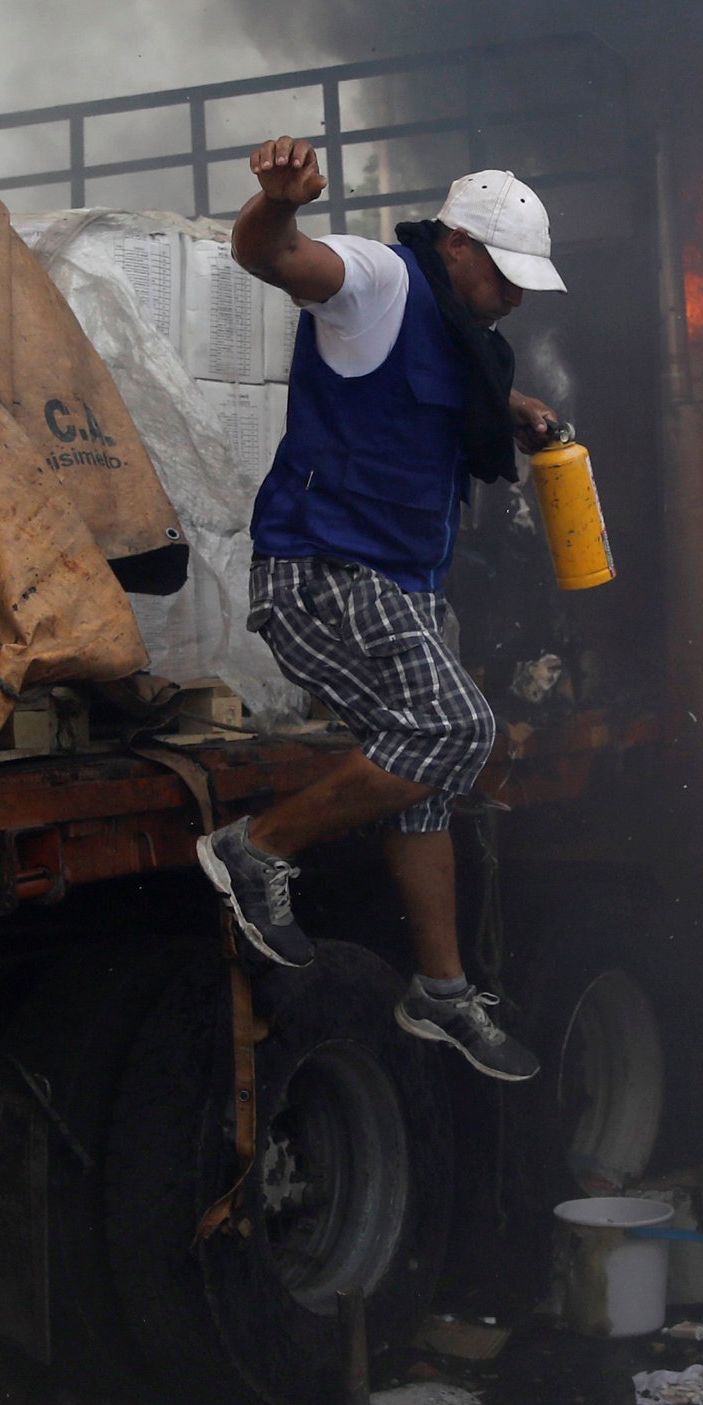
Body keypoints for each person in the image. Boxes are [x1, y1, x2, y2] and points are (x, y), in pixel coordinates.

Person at [195, 137, 568, 1082]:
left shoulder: (465, 335)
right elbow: (273, 257)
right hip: (326, 571)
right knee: (453, 727)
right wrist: (276, 205)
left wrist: (516, 405)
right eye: (507, 271)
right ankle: (254, 850)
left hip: (402, 587)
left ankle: (440, 992)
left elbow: (448, 389)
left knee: (428, 778)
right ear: (455, 244)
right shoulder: (378, 279)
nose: (519, 295)